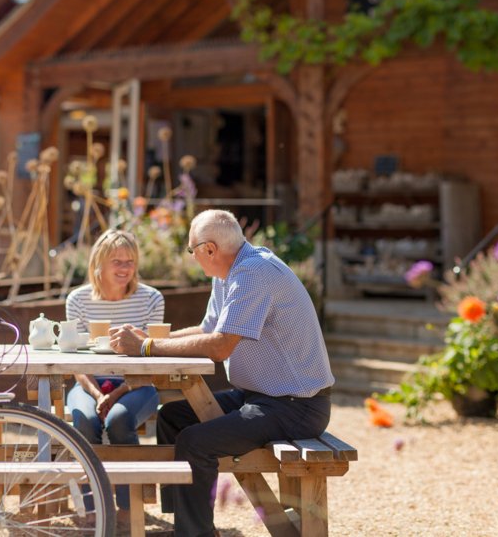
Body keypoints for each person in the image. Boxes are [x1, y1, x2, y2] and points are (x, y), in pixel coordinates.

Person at [110, 209, 334, 537]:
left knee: (195, 441)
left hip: (297, 405)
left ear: (210, 249)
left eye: (192, 250)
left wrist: (146, 348)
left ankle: (193, 533)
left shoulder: (253, 273)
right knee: (173, 417)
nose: (193, 258)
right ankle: (189, 526)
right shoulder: (229, 273)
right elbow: (208, 328)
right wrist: (150, 339)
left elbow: (219, 347)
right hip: (262, 395)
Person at [66, 228, 164, 524]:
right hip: (89, 384)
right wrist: (97, 394)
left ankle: (127, 507)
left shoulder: (151, 299)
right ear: (99, 263)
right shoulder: (78, 300)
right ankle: (93, 506)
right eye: (117, 261)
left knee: (119, 419)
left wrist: (116, 394)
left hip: (138, 384)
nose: (125, 268)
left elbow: (150, 355)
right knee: (84, 420)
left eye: (130, 261)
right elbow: (74, 360)